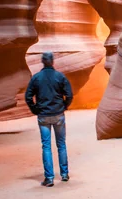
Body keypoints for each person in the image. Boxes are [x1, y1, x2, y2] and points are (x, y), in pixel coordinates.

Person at [25, 52, 73, 187]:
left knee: (46, 146)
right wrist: (64, 106)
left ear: (42, 62)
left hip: (44, 116)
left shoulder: (36, 78)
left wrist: (35, 109)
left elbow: (28, 97)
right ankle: (64, 174)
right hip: (58, 115)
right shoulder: (60, 77)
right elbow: (69, 94)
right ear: (52, 62)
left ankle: (49, 178)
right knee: (61, 145)